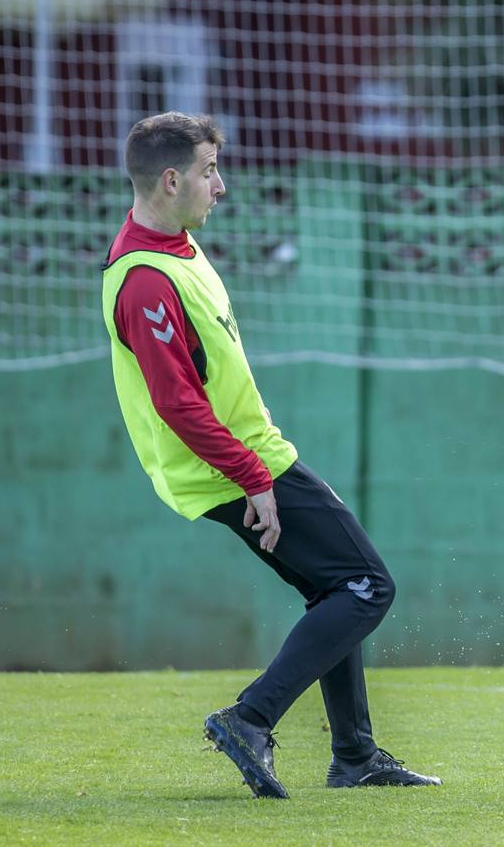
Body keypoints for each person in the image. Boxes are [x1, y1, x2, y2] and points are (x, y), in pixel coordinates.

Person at [101, 111, 441, 797]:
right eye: (208, 171)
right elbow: (178, 404)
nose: (219, 185)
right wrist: (257, 478)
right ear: (171, 180)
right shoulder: (144, 281)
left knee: (337, 588)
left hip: (250, 457)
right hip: (229, 467)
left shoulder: (178, 248)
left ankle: (354, 755)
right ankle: (251, 717)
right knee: (368, 586)